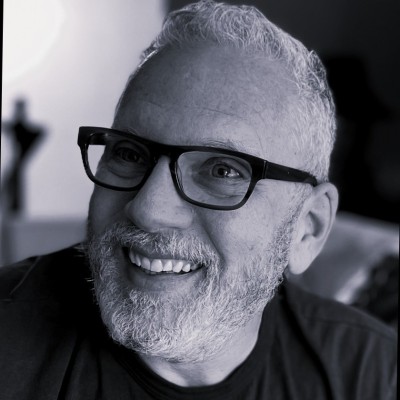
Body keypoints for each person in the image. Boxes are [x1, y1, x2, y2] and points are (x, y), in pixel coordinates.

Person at [0, 1, 396, 399]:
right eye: (130, 154)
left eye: (222, 171)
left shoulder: (371, 374)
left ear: (308, 228)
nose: (148, 210)